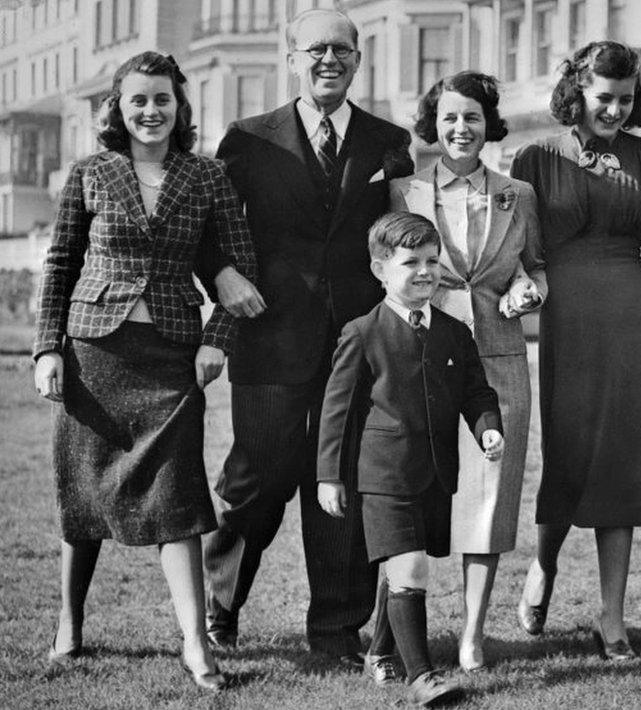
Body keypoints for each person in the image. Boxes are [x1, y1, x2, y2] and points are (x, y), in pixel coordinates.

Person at [32, 51, 257, 692]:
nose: (151, 111)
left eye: (162, 99)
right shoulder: (91, 173)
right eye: (138, 100)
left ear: (180, 106)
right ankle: (69, 625)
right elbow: (60, 264)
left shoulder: (207, 177)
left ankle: (195, 644)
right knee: (85, 490)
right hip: (93, 352)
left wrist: (218, 341)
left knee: (177, 495)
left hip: (173, 356)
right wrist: (48, 348)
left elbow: (241, 265)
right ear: (119, 108)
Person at [196, 8, 414, 660]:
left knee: (340, 483)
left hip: (356, 348)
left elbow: (405, 231)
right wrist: (224, 275)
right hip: (269, 341)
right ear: (292, 57)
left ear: (358, 57)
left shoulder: (387, 140)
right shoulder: (247, 139)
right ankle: (220, 608)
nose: (329, 60)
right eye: (315, 49)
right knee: (254, 480)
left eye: (341, 50)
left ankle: (336, 631)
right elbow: (208, 230)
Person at [510, 41, 641, 660]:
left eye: (625, 98)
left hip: (631, 313)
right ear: (578, 92)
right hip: (566, 317)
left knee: (625, 458)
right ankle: (544, 566)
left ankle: (611, 616)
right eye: (603, 98)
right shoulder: (534, 157)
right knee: (568, 453)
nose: (614, 109)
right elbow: (520, 251)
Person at [389, 70, 546, 672]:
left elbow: (535, 268)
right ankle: (404, 633)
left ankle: (472, 635)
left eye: (472, 117)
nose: (461, 128)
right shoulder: (402, 192)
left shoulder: (518, 194)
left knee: (490, 499)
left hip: (500, 362)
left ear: (489, 125)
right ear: (434, 123)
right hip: (421, 362)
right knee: (414, 494)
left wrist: (529, 292)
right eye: (450, 117)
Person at [317, 212, 503, 707]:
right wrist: (329, 477)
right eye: (410, 262)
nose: (425, 271)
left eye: (432, 261)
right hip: (383, 474)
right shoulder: (361, 332)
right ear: (380, 268)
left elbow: (477, 392)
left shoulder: (453, 331)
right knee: (411, 568)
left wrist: (488, 430)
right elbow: (336, 412)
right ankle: (423, 677)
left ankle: (381, 651)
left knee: (403, 568)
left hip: (436, 473)